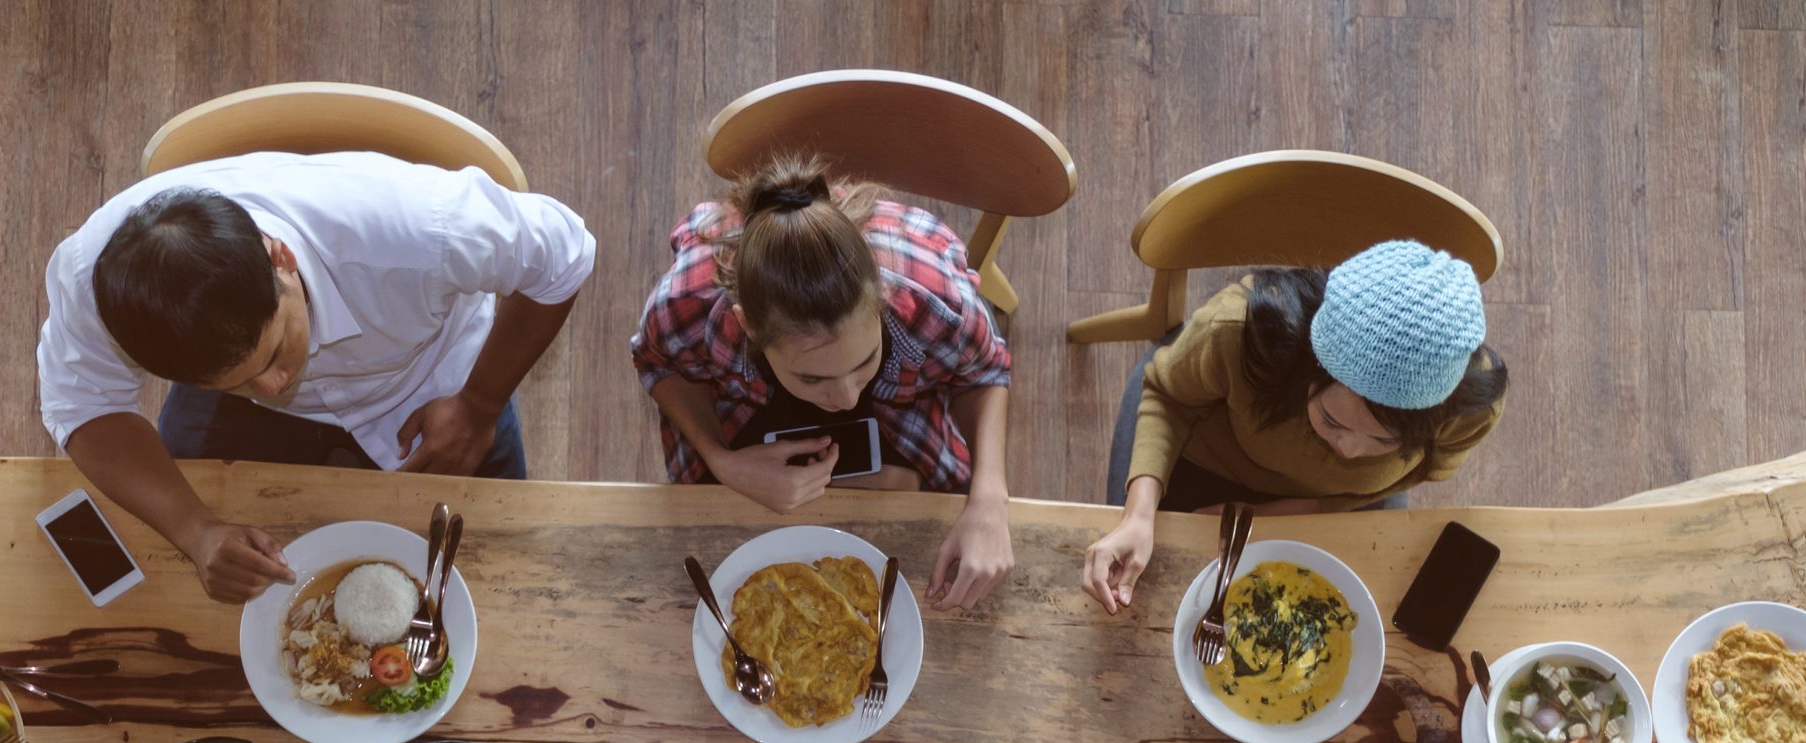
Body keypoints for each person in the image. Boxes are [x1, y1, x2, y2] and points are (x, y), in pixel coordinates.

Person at [38, 151, 595, 602]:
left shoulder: (418, 227)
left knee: (502, 571)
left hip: (434, 379)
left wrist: (479, 403)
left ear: (281, 259)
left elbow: (563, 253)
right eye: (234, 379)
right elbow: (83, 405)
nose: (276, 387)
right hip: (239, 415)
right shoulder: (95, 289)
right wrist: (196, 530)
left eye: (278, 350)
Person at [631, 155, 1016, 612]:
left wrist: (991, 498)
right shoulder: (688, 300)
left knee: (909, 495)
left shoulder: (934, 297)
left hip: (902, 413)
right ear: (747, 326)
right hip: (741, 411)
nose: (846, 397)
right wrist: (721, 460)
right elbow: (656, 361)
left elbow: (985, 371)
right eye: (813, 377)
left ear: (883, 302)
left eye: (865, 360)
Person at [1082, 239, 1507, 614]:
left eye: (1385, 440)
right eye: (1331, 420)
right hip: (1197, 455)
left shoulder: (1470, 408)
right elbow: (1167, 394)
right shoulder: (1236, 330)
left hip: (1340, 500)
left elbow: (1411, 474)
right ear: (1309, 366)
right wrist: (1138, 516)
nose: (1350, 452)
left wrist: (1277, 513)